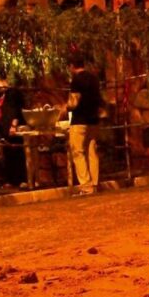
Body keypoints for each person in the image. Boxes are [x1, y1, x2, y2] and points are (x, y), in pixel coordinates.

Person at [66, 54, 102, 195]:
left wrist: (65, 108)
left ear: (72, 66)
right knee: (92, 151)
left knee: (78, 151)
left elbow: (74, 102)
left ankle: (86, 186)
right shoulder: (94, 78)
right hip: (93, 119)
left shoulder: (76, 80)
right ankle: (94, 183)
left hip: (80, 120)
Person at [0, 74, 26, 188]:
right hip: (3, 128)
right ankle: (11, 180)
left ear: (5, 81)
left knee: (17, 152)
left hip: (12, 127)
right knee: (8, 154)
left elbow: (16, 109)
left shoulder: (12, 93)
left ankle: (22, 179)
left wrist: (13, 125)